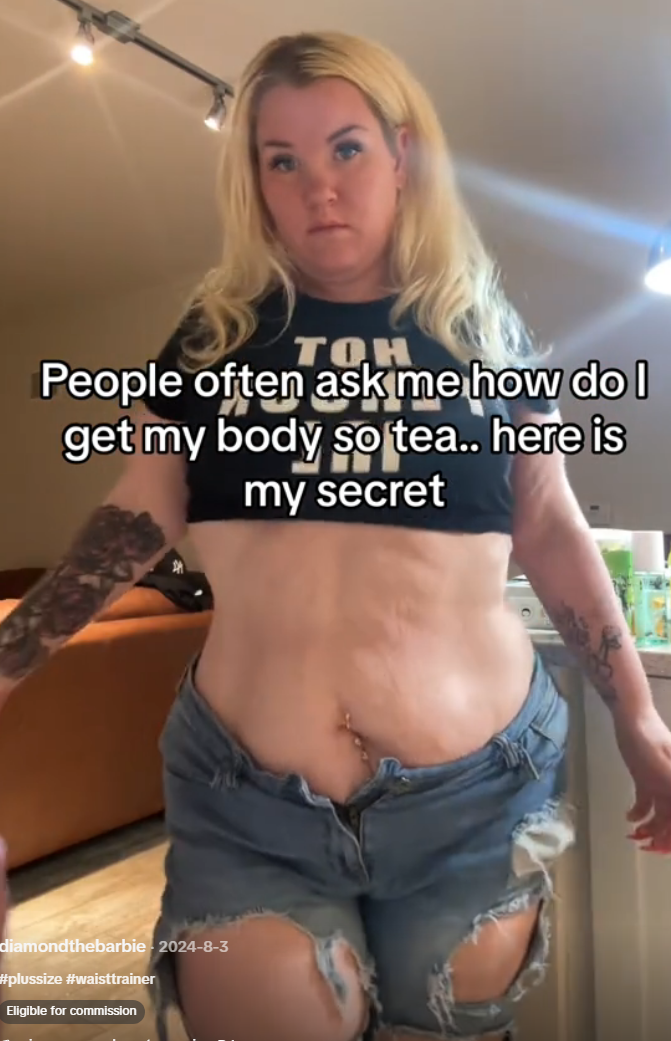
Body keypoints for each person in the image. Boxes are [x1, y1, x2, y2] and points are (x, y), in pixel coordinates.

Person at [0, 28, 670, 1041]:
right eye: (283, 161)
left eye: (346, 148)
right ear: (255, 182)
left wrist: (637, 715)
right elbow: (135, 518)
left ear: (400, 154)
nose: (319, 187)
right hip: (246, 806)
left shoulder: (485, 334)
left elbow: (548, 522)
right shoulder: (212, 339)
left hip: (475, 798)